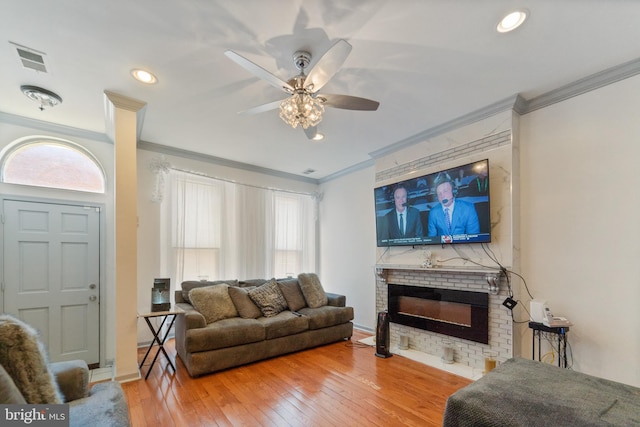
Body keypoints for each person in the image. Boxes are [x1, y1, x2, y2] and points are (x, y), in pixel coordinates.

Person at [427, 173, 480, 237]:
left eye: (445, 191)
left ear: (453, 191)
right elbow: (432, 238)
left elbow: (473, 236)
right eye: (439, 193)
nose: (442, 196)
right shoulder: (433, 212)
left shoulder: (468, 208)